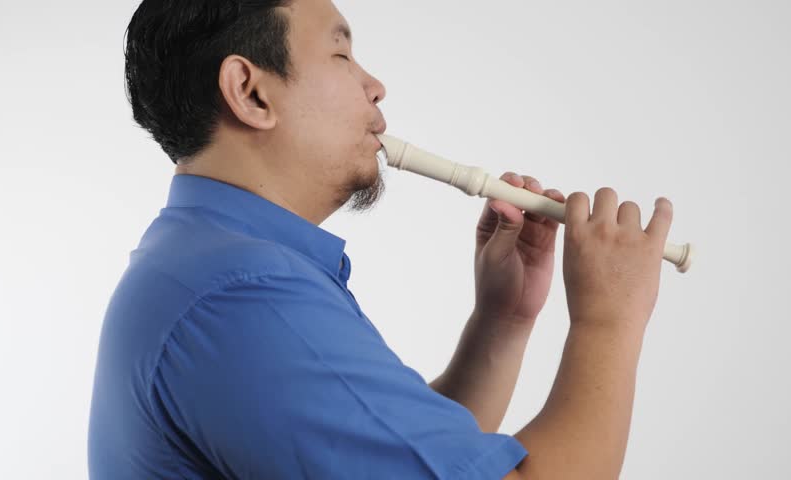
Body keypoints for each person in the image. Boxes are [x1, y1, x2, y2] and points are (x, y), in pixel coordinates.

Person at [87, 0, 675, 478]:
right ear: (251, 92)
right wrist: (608, 320)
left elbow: (412, 455)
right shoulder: (243, 295)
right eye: (341, 52)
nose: (376, 86)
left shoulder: (202, 264)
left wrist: (504, 320)